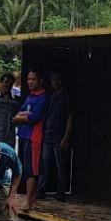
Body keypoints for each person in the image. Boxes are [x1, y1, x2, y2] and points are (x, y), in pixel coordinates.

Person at [13, 69, 48, 211]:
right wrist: (24, 115)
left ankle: (28, 201)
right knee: (25, 168)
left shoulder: (43, 97)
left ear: (40, 80)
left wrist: (19, 117)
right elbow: (22, 110)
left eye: (33, 79)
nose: (30, 82)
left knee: (32, 170)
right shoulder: (30, 96)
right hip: (23, 135)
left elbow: (34, 117)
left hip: (34, 136)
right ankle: (32, 200)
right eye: (28, 79)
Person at [39, 72, 73, 201]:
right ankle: (41, 190)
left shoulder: (66, 97)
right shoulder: (51, 96)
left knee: (61, 166)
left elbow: (70, 118)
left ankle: (61, 192)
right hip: (48, 135)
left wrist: (66, 137)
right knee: (45, 164)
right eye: (53, 80)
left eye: (57, 80)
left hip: (59, 136)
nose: (55, 82)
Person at [0, 72, 20, 148]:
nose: (7, 85)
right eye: (5, 83)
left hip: (9, 138)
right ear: (0, 83)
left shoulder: (16, 101)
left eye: (10, 83)